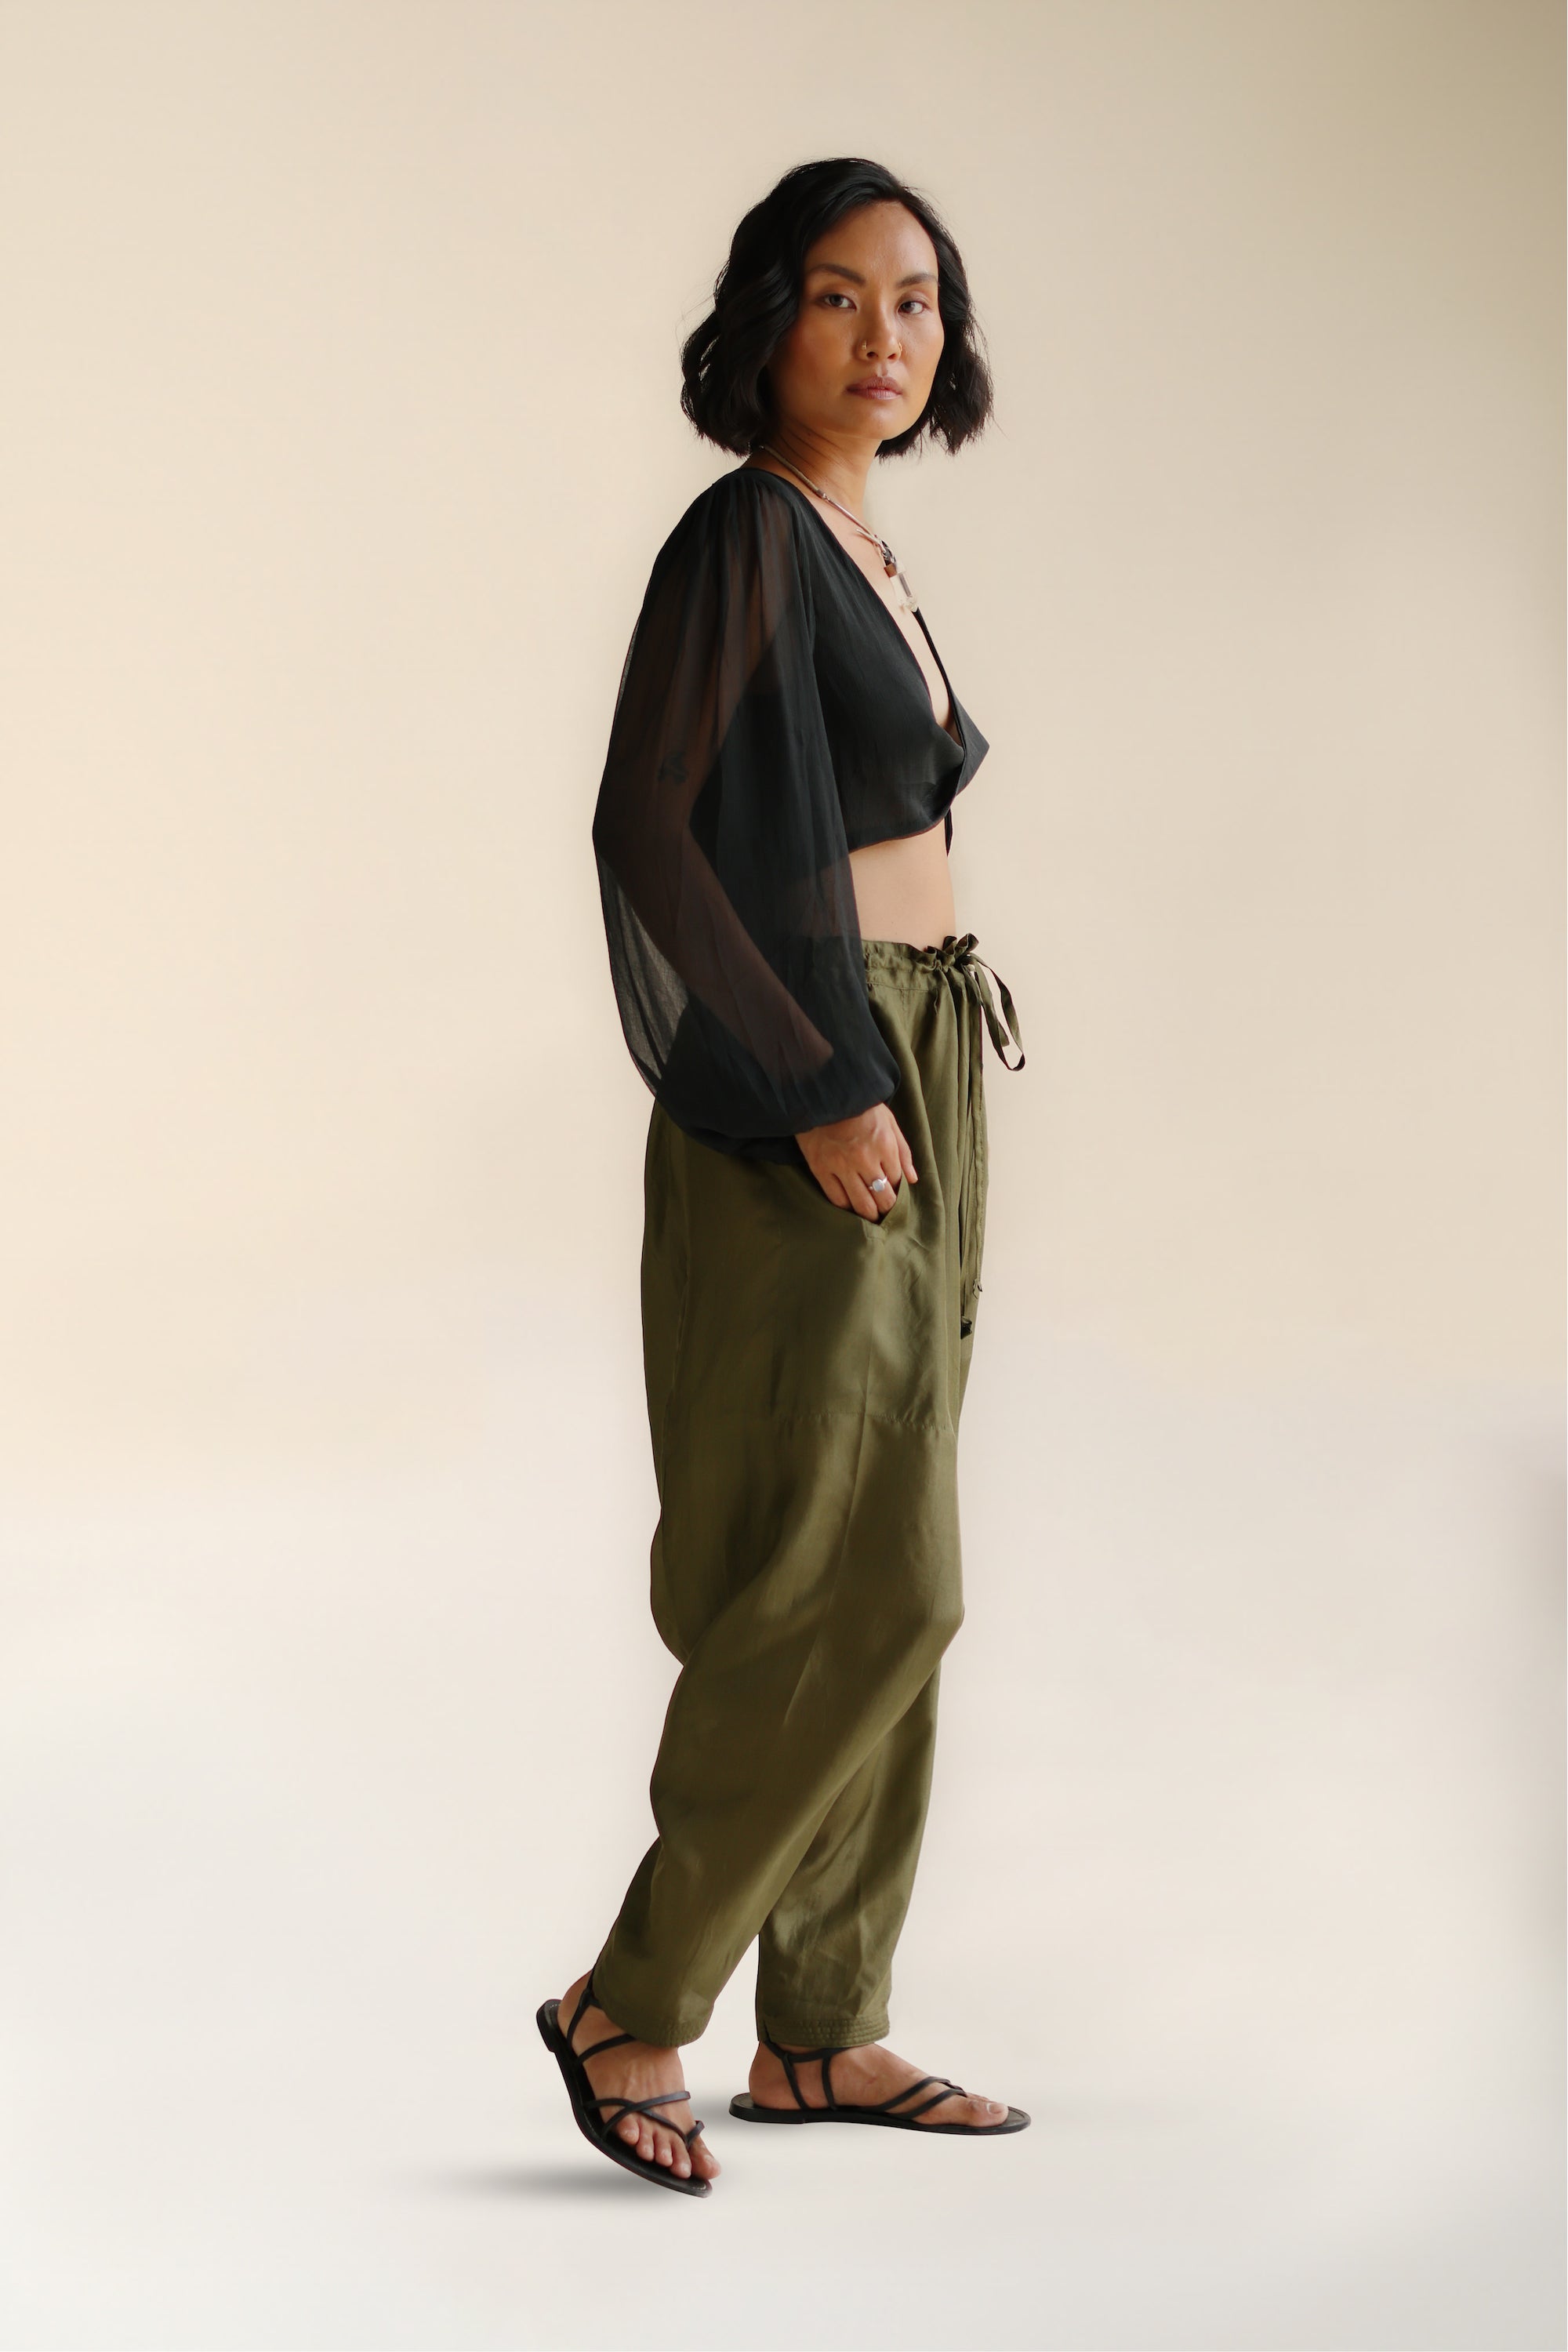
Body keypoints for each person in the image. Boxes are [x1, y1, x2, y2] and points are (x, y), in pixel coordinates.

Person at [539, 158, 1029, 2196]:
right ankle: (632, 1998)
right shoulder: (747, 530)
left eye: (915, 299)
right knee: (847, 1567)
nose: (884, 334)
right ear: (768, 321)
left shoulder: (863, 542)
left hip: (925, 1047)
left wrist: (895, 1053)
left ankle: (822, 2029)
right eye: (838, 296)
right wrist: (817, 1069)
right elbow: (649, 826)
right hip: (815, 1062)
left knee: (896, 1550)